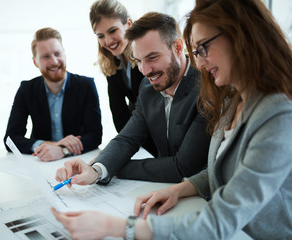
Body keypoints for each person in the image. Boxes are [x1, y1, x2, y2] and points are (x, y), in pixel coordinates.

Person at [51, 0, 292, 239]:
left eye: (202, 48)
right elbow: (226, 170)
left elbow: (218, 220)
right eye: (196, 51)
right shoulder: (233, 100)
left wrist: (119, 226)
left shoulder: (277, 114)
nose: (200, 61)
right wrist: (182, 189)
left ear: (238, 38)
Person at [56, 12, 210, 186]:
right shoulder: (147, 88)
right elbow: (128, 138)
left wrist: (114, 168)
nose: (145, 70)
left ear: (178, 47)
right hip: (163, 190)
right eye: (139, 61)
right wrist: (97, 170)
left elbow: (183, 167)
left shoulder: (206, 88)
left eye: (152, 58)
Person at [3, 27, 102, 161]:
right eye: (46, 56)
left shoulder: (86, 85)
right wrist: (52, 145)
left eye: (57, 53)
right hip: (40, 161)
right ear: (35, 62)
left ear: (65, 54)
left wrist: (62, 150)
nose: (54, 61)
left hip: (78, 161)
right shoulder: (26, 89)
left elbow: (95, 136)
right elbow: (11, 139)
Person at [89, 0, 157, 157]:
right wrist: (118, 148)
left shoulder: (145, 56)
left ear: (129, 24)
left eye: (112, 31)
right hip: (141, 140)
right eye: (100, 36)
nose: (107, 41)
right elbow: (119, 115)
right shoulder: (112, 63)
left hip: (160, 135)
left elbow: (150, 110)